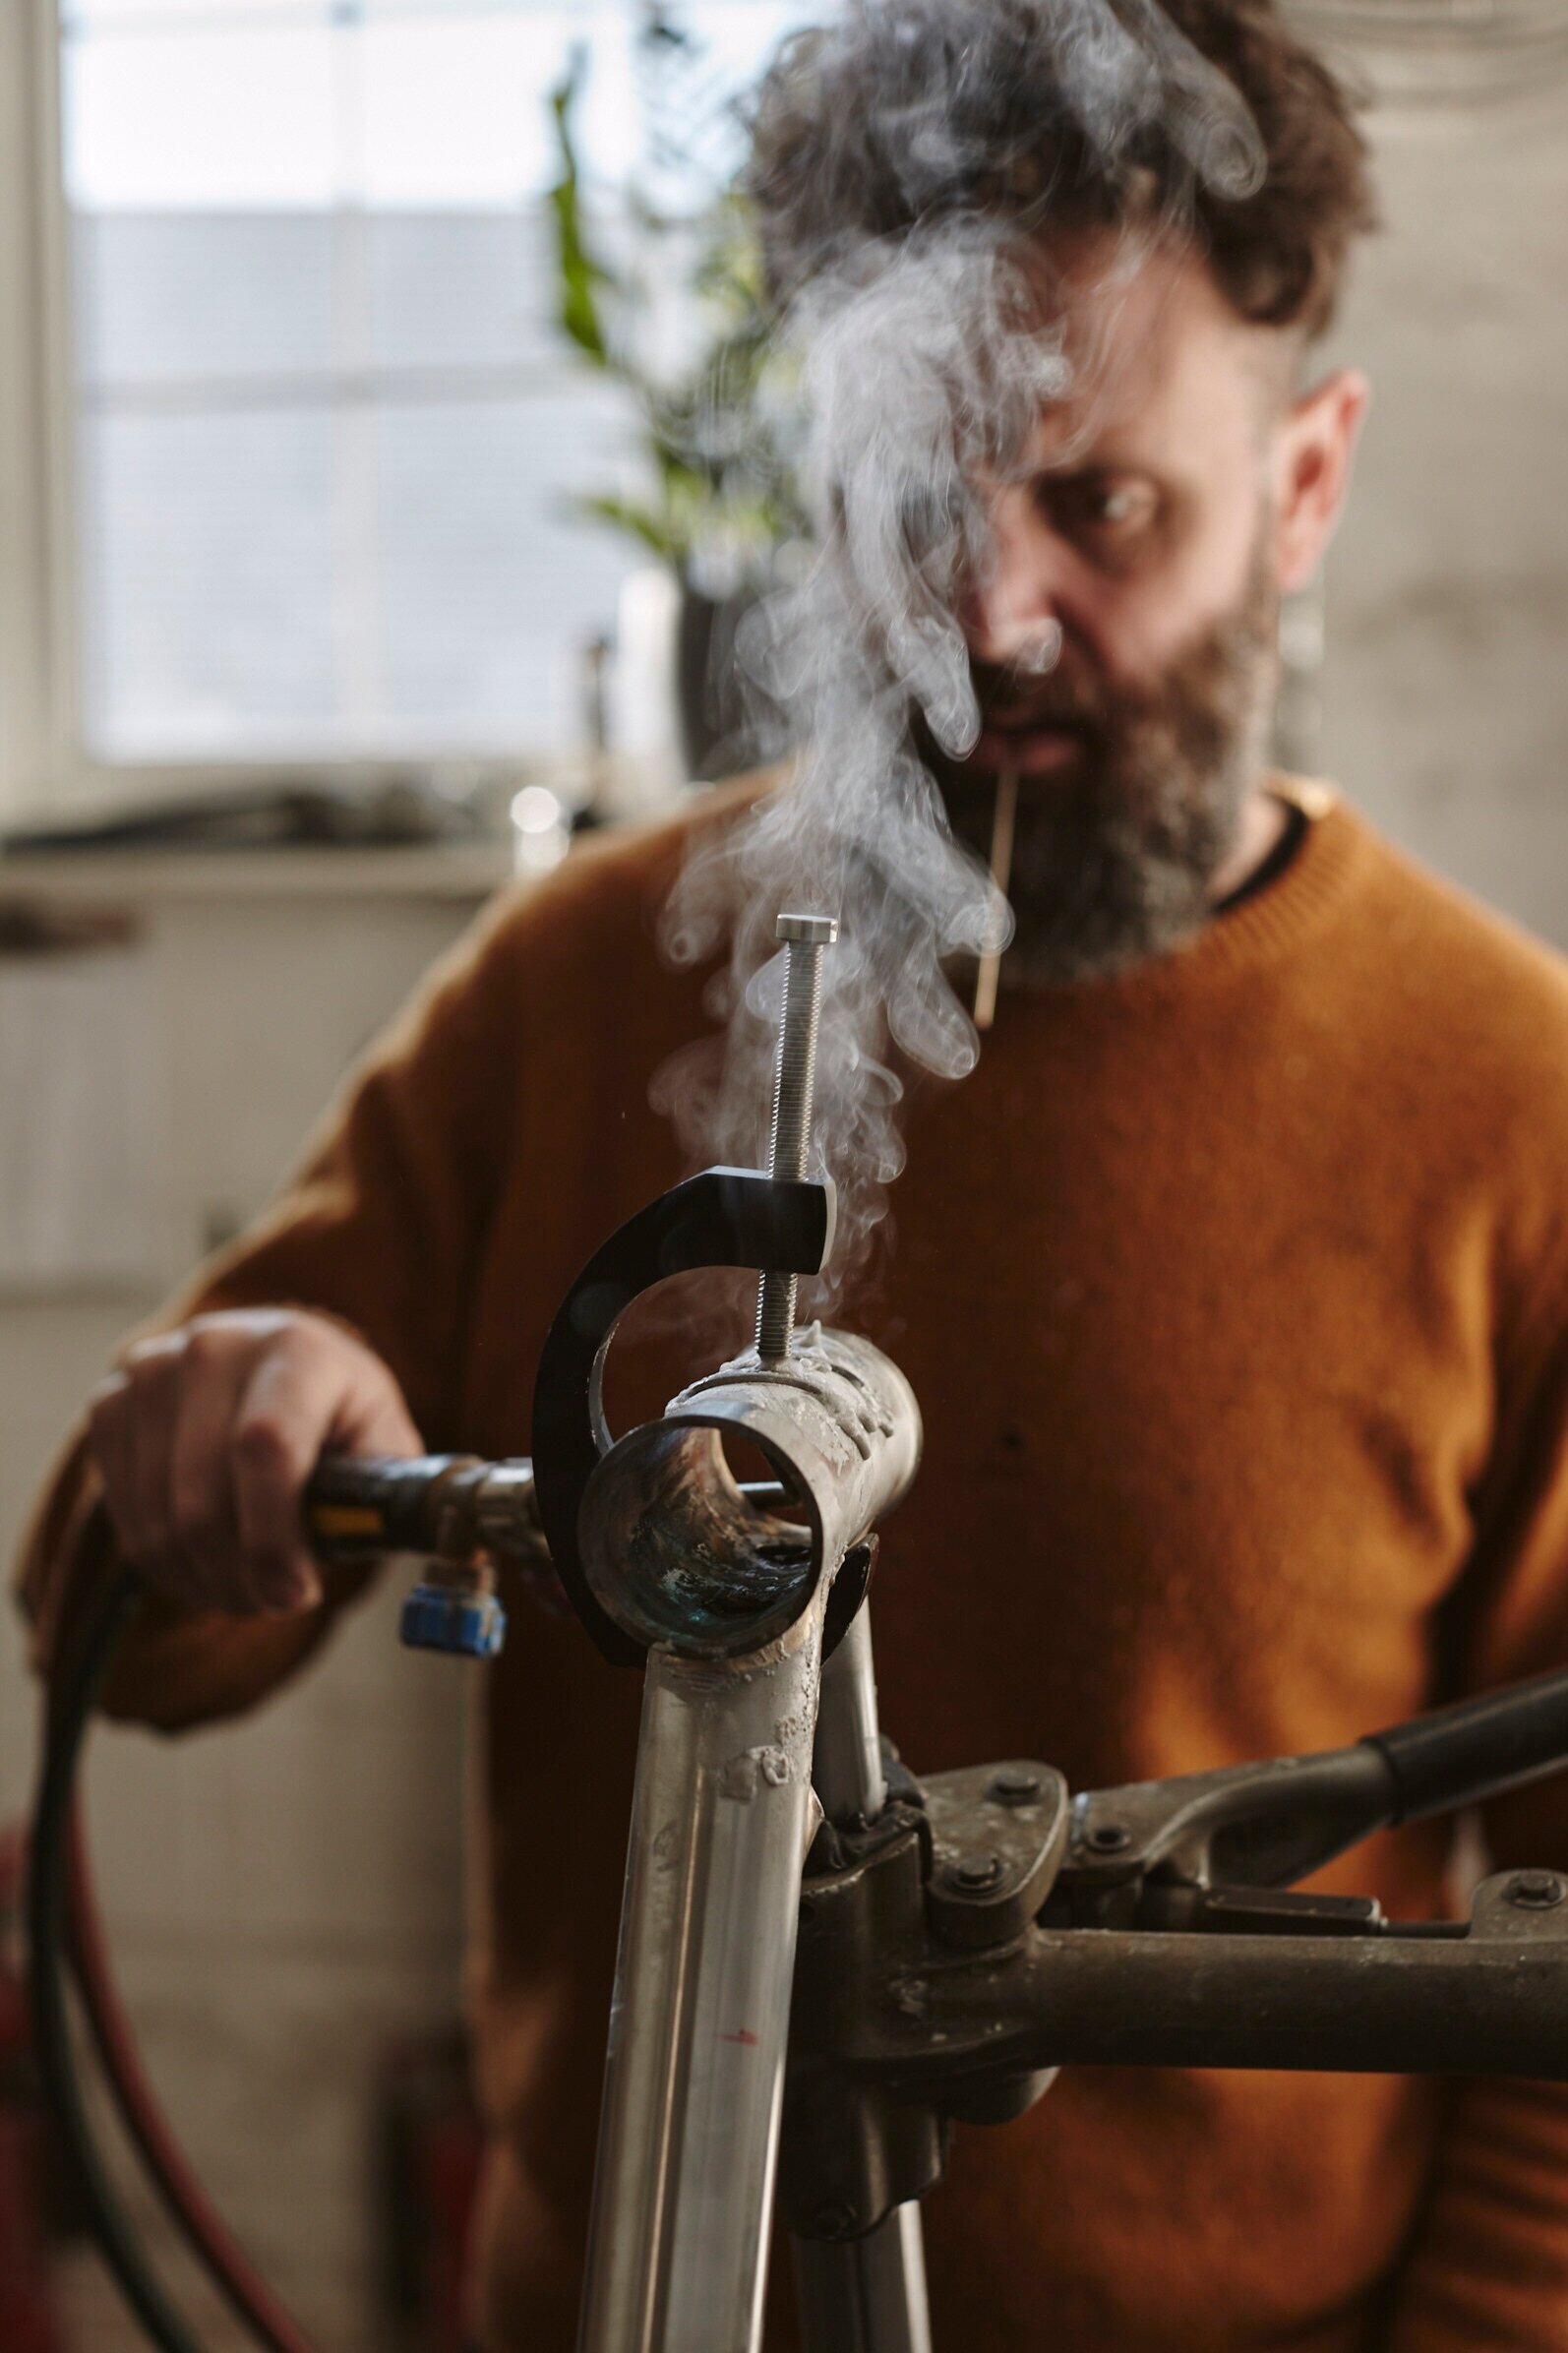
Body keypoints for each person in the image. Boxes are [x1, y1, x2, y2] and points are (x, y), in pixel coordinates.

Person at [19, 2, 1568, 2345]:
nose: (989, 620)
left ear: (1308, 478)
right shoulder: (576, 983)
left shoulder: (1510, 1097)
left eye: (1102, 506)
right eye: (914, 501)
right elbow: (132, 1622)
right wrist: (262, 1400)